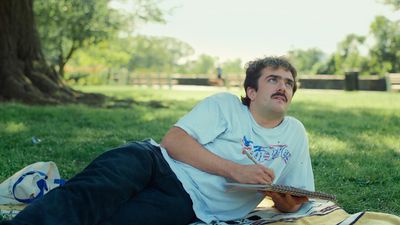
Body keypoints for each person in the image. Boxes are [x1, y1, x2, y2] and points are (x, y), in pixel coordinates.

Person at [1, 56, 314, 225]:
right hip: (154, 162)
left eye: (289, 83)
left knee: (113, 219)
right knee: (96, 190)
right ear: (252, 92)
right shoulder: (225, 105)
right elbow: (173, 142)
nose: (283, 86)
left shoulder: (294, 133)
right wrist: (235, 170)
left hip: (189, 203)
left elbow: (294, 199)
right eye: (273, 79)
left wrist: (283, 203)